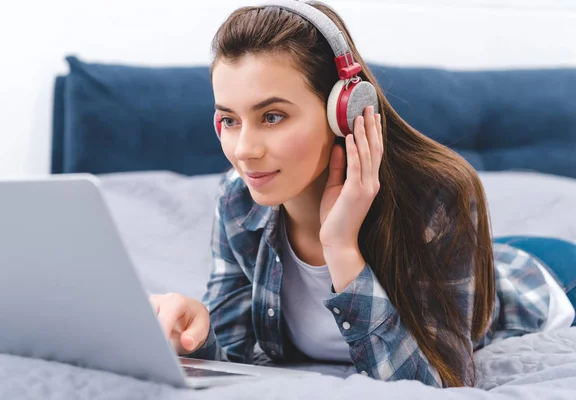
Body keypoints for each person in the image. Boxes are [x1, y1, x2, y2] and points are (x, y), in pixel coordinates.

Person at [150, 0, 576, 388]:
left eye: (273, 116)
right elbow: (236, 358)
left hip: (548, 278)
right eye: (229, 120)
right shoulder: (237, 199)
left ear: (345, 110)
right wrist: (195, 340)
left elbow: (441, 385)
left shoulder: (436, 196)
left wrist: (341, 248)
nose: (244, 151)